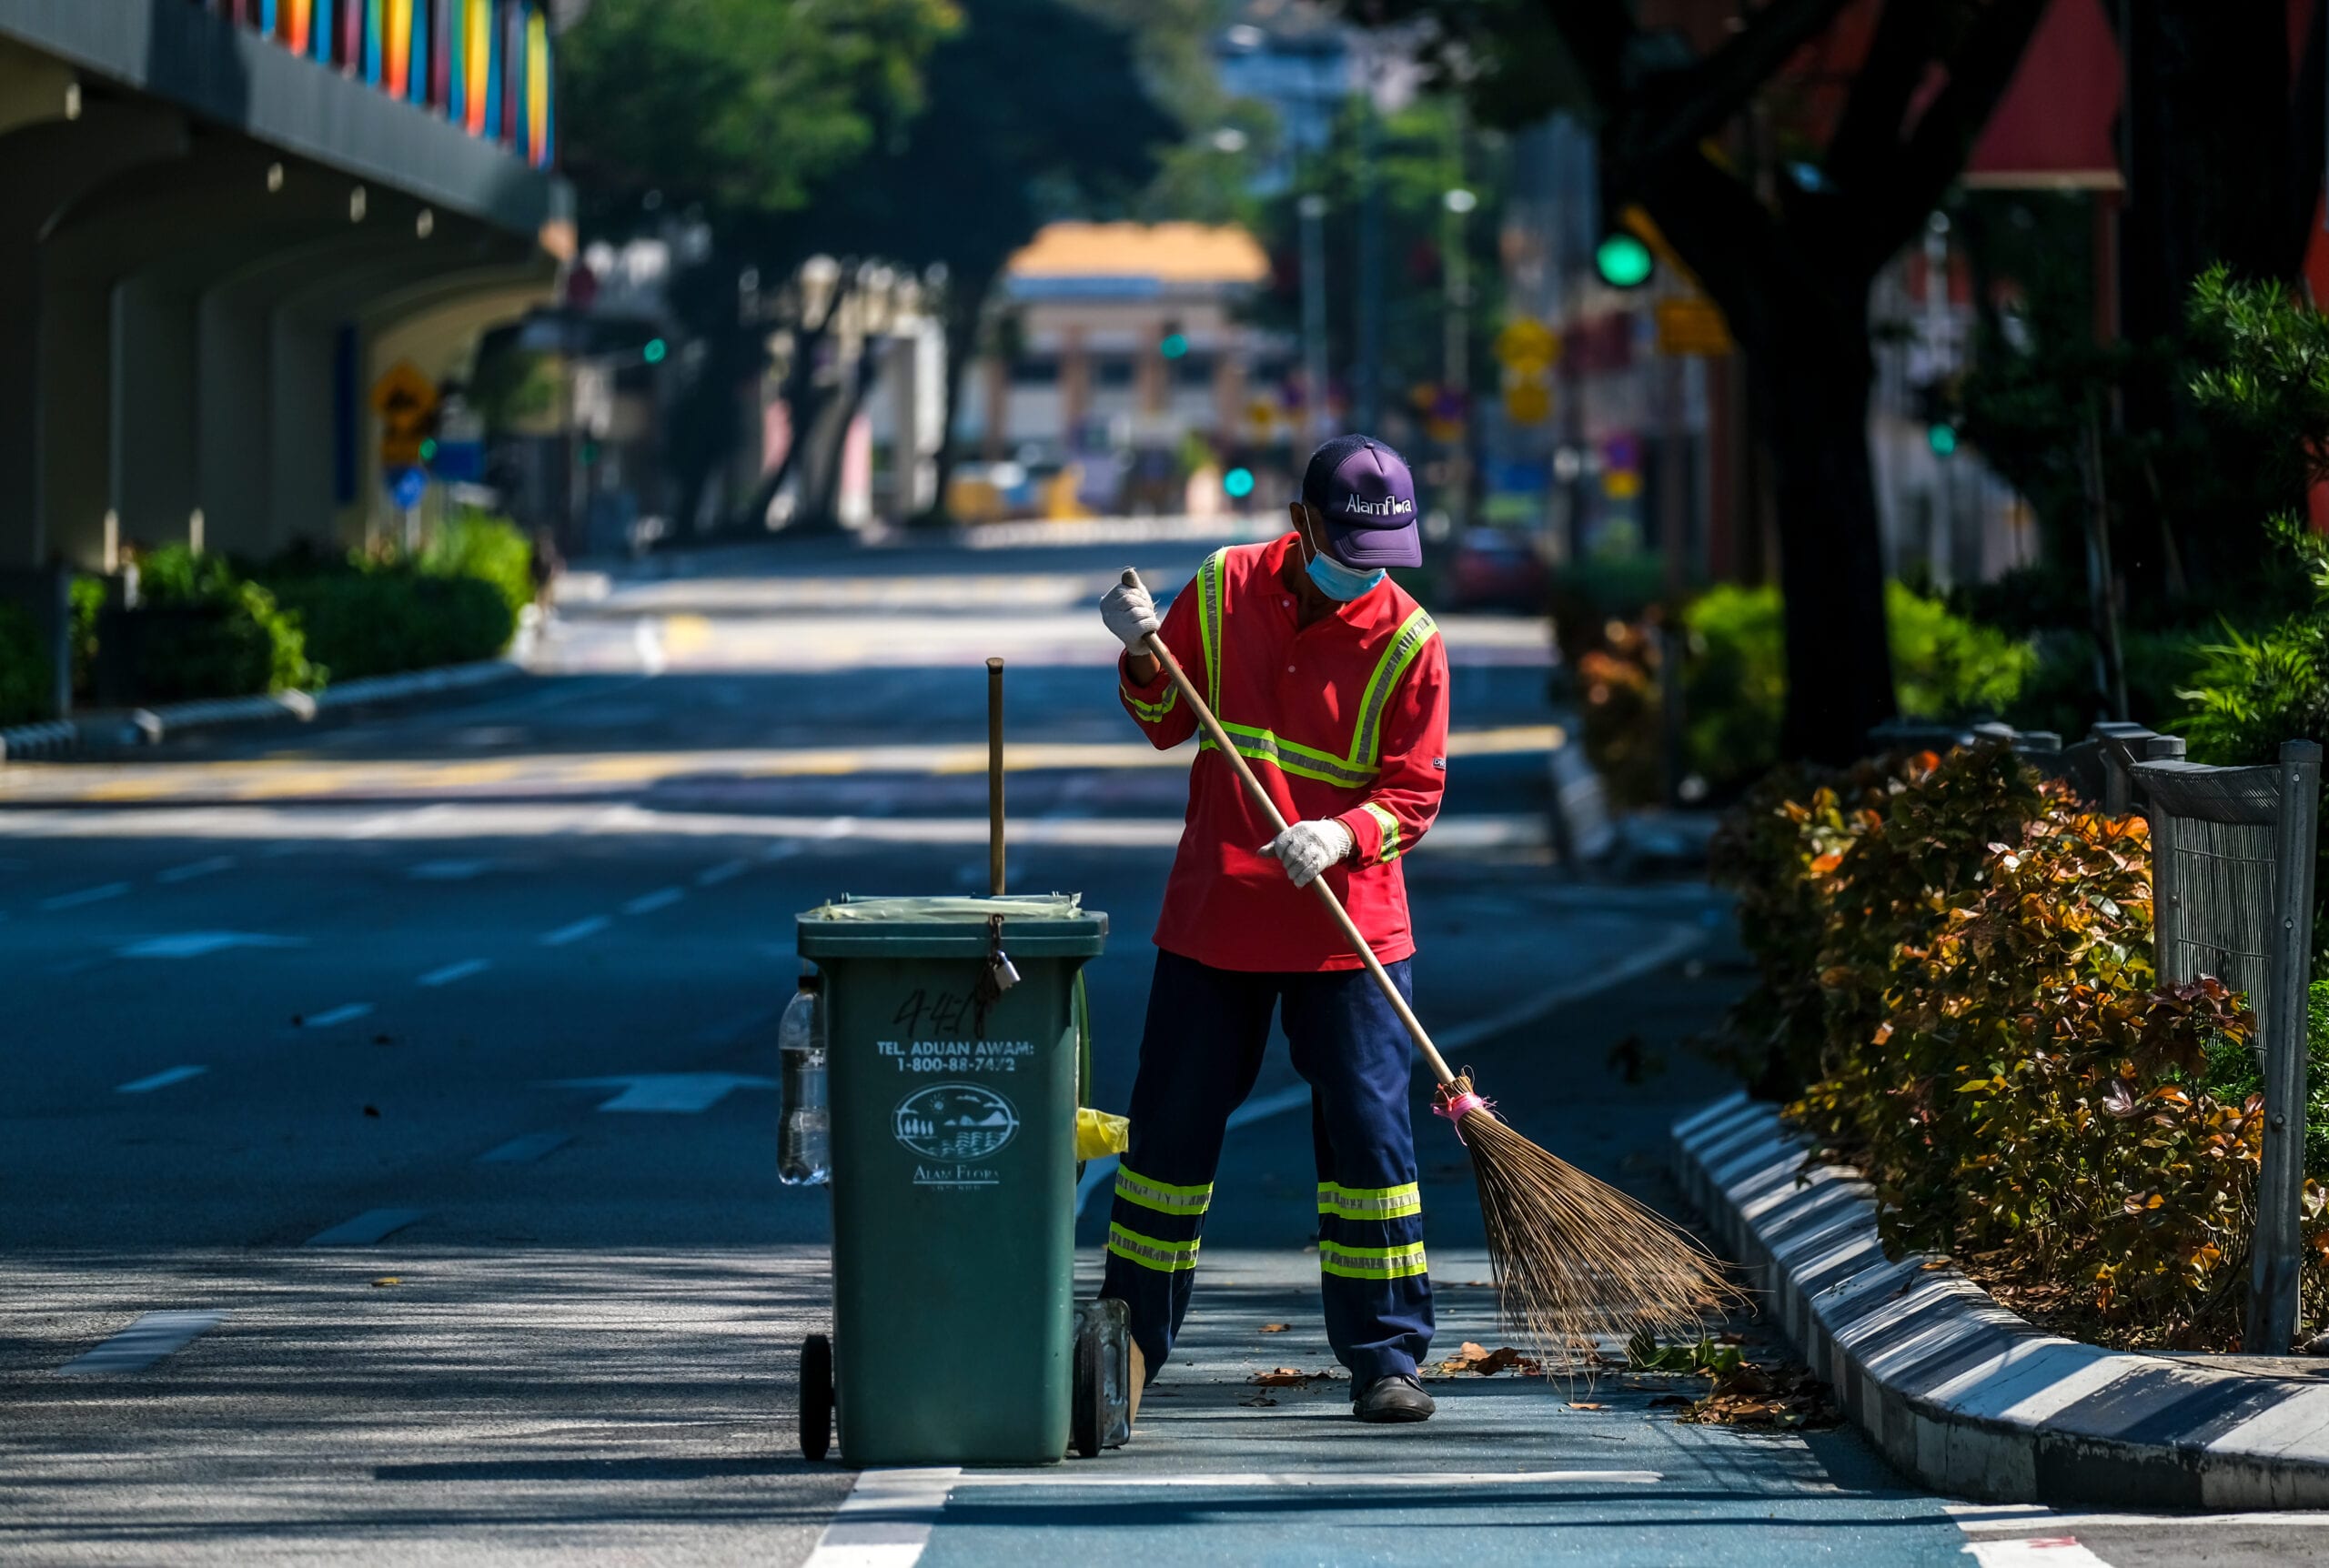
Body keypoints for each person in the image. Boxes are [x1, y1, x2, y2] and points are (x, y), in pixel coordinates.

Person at [1097, 434, 1449, 1424]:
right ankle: (1123, 1347)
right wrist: (1139, 649)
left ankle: (1386, 1358)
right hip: (1220, 913)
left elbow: (1415, 790)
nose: (1364, 578)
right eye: (1348, 550)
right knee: (1166, 1140)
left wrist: (1342, 832)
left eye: (1383, 556)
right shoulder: (1220, 587)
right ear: (1302, 527)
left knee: (1371, 1150)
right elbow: (1166, 717)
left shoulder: (1411, 639)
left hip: (1351, 929)